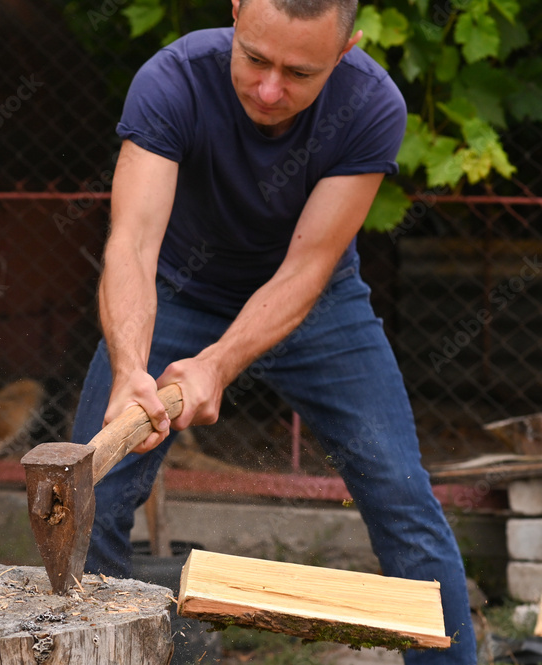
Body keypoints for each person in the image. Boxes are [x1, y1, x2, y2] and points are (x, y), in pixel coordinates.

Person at [70, 0, 477, 661]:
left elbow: (308, 265)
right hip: (177, 291)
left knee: (403, 501)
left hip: (316, 304)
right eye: (254, 58)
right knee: (89, 499)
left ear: (346, 51)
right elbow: (134, 243)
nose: (268, 89)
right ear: (236, 12)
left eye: (298, 73)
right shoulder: (172, 80)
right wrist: (129, 369)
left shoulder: (372, 105)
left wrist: (217, 362)